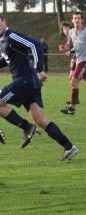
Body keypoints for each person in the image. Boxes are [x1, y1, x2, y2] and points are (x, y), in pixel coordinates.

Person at [0, 15, 78, 160]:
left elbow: (34, 44)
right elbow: (7, 60)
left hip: (25, 81)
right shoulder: (3, 41)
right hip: (29, 83)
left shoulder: (11, 36)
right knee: (40, 120)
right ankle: (69, 147)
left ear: (4, 21)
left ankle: (26, 127)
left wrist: (39, 69)